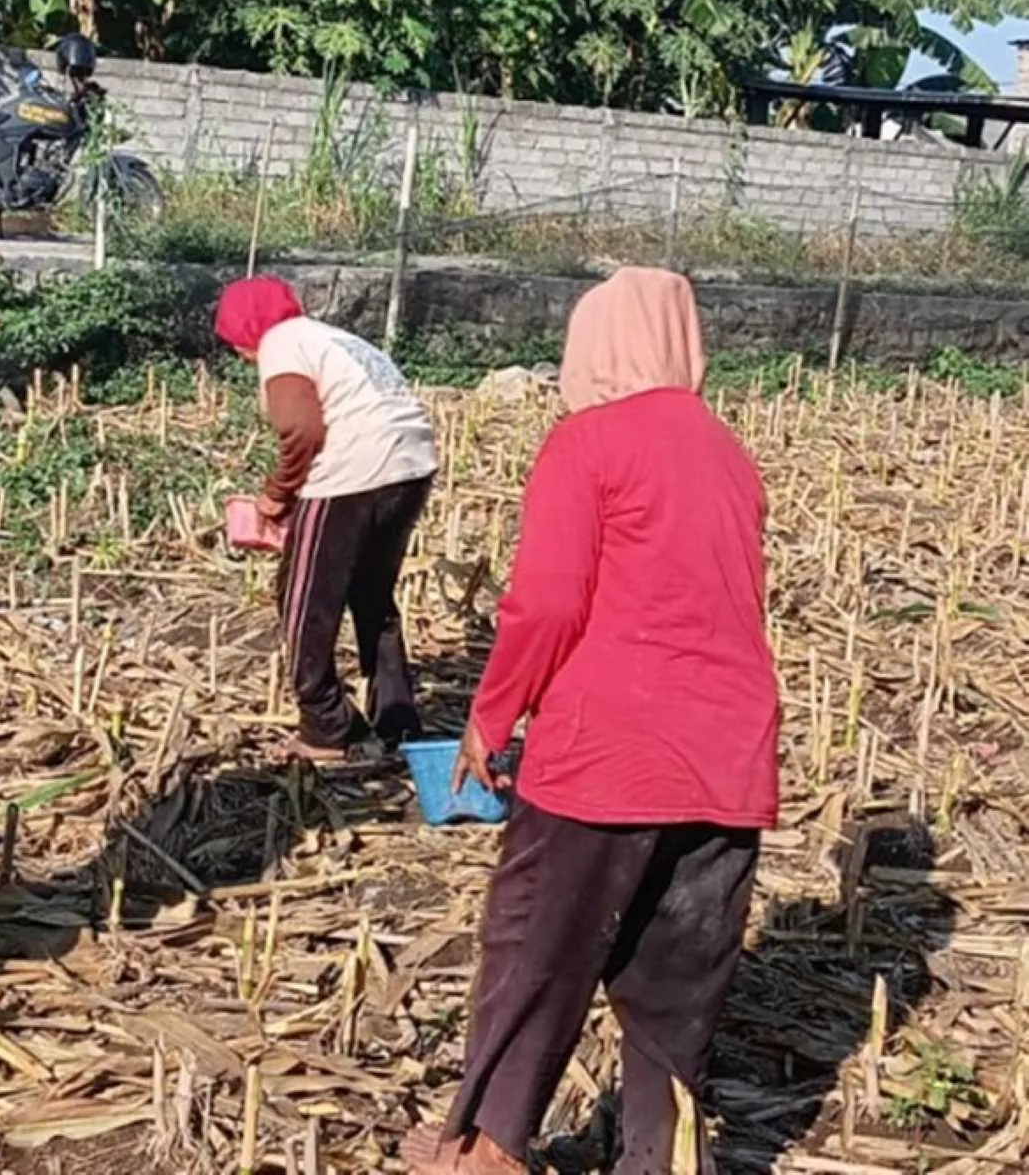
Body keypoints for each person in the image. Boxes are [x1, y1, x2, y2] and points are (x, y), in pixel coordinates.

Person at [401, 268, 779, 1175]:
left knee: (538, 947)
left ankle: (490, 1146)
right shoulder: (728, 451)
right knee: (673, 985)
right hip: (727, 758)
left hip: (608, 750)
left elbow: (545, 605)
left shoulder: (590, 440)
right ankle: (658, 1159)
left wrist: (490, 717)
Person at [214, 276, 438, 760]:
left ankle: (327, 724)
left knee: (302, 599)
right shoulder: (334, 338)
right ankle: (396, 719)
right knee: (371, 596)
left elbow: (302, 429)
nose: (244, 358)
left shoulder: (281, 342)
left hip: (352, 471)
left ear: (245, 333)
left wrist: (277, 496)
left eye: (238, 348)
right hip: (412, 465)